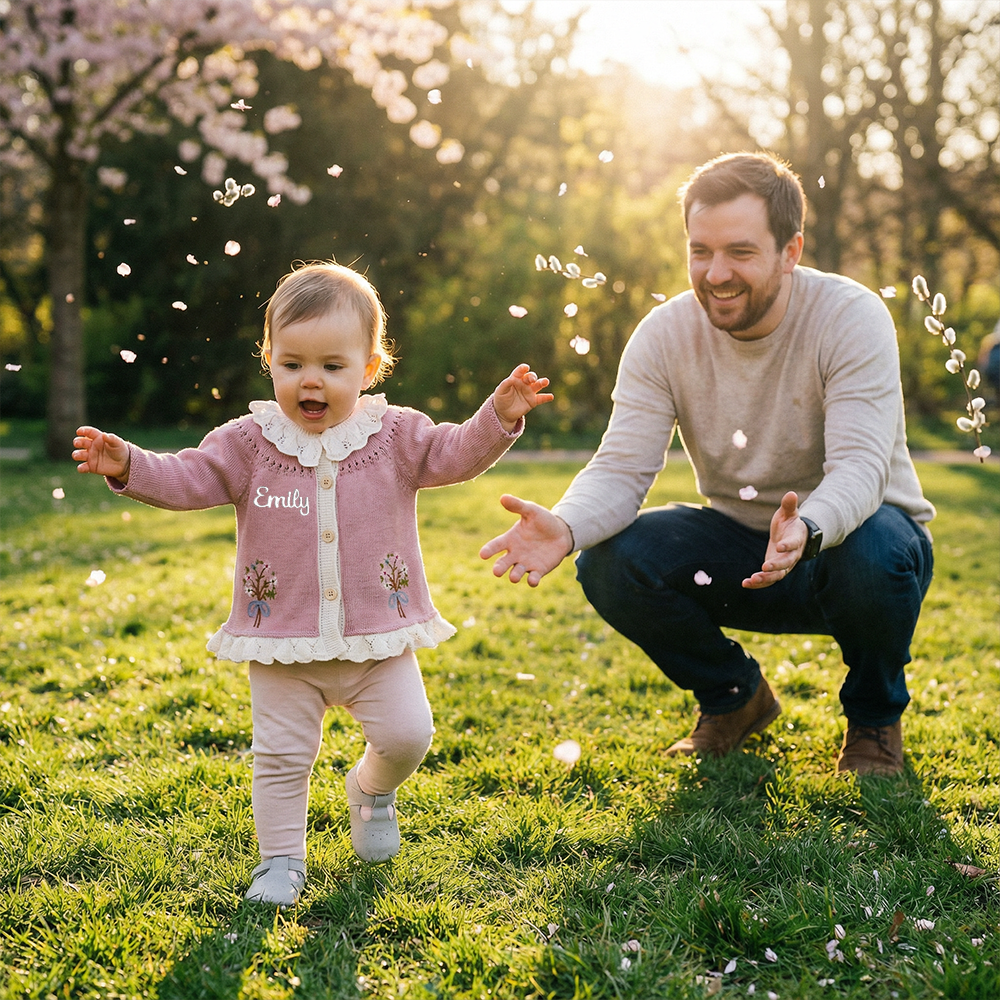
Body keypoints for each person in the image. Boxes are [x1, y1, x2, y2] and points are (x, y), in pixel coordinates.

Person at [73, 261, 553, 906]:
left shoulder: (396, 436)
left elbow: (455, 452)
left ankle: (371, 789)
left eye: (333, 365)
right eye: (293, 363)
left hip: (377, 639)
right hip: (282, 640)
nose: (312, 381)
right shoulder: (248, 442)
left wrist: (499, 415)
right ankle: (280, 861)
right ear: (269, 359)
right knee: (280, 759)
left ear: (370, 367)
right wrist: (130, 464)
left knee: (410, 735)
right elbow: (190, 478)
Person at [481, 152, 935, 778]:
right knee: (611, 558)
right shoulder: (664, 335)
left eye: (741, 253)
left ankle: (874, 722)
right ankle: (734, 697)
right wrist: (565, 525)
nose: (716, 273)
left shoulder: (849, 317)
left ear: (791, 250)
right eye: (701, 251)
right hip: (739, 551)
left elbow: (861, 466)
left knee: (877, 544)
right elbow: (621, 468)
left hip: (849, 549)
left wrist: (808, 528)